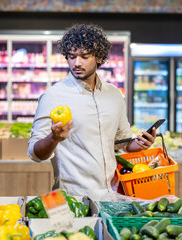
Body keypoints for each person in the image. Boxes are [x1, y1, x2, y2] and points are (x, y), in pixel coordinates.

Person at [27, 23, 156, 200]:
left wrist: (140, 144)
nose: (76, 63)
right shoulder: (53, 96)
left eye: (84, 56)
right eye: (71, 57)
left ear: (99, 58)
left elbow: (122, 142)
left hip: (112, 195)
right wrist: (54, 138)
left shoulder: (114, 95)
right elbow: (34, 154)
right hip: (74, 200)